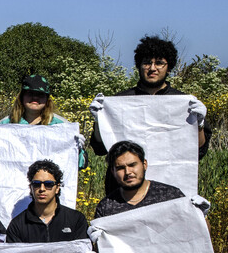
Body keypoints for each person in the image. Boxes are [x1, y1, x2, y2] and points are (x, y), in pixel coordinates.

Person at [91, 36, 212, 191]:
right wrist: (99, 120)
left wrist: (199, 124)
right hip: (122, 190)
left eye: (159, 63)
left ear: (169, 68)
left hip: (170, 187)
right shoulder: (120, 101)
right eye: (147, 62)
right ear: (139, 66)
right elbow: (100, 148)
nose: (153, 68)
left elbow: (198, 151)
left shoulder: (183, 103)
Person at [0, 75, 86, 167]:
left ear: (47, 99)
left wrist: (77, 150)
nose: (35, 98)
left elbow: (81, 164)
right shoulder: (5, 124)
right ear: (22, 96)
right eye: (30, 93)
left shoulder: (61, 126)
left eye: (40, 94)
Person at [94, 141, 184, 218]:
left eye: (132, 165)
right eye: (120, 168)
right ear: (113, 172)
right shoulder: (106, 207)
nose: (128, 172)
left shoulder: (170, 196)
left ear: (144, 165)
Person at [5, 160, 88, 243]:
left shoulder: (76, 220)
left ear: (57, 188)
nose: (42, 189)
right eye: (36, 184)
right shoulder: (17, 225)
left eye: (48, 184)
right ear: (31, 187)